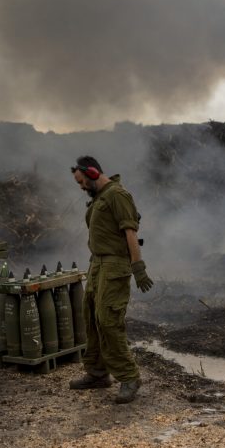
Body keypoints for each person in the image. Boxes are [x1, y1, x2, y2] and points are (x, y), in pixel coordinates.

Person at [68, 155, 154, 403]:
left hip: (115, 265)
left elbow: (130, 232)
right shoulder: (99, 198)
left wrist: (138, 268)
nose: (81, 187)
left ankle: (129, 377)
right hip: (97, 264)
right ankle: (97, 374)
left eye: (82, 181)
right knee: (91, 319)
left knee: (108, 321)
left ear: (93, 173)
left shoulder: (117, 195)